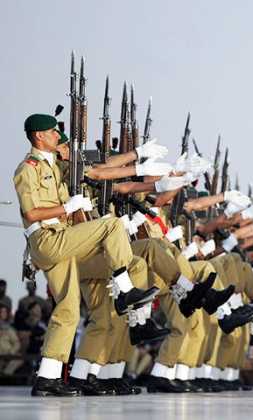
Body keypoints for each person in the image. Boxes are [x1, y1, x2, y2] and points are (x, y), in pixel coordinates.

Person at [13, 114, 158, 396]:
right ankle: (125, 290)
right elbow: (31, 213)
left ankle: (48, 378)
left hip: (63, 241)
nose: (58, 135)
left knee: (67, 310)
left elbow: (99, 171)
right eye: (53, 132)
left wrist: (140, 164)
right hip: (46, 239)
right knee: (111, 225)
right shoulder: (26, 169)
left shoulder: (55, 167)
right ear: (38, 136)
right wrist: (66, 208)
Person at [0, 304, 23, 376]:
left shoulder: (9, 328)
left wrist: (11, 352)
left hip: (8, 354)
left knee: (19, 358)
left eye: (4, 312)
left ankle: (5, 374)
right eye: (1, 312)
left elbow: (16, 343)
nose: (2, 314)